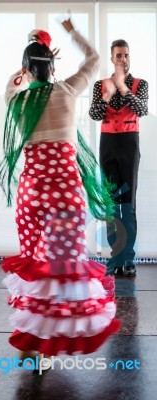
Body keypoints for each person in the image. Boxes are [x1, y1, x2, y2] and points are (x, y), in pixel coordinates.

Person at [0, 18, 120, 359]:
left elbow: (13, 85)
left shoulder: (16, 101)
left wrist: (21, 71)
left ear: (26, 69)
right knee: (60, 268)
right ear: (53, 66)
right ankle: (46, 345)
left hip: (32, 194)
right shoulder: (66, 90)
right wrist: (70, 30)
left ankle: (33, 340)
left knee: (37, 266)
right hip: (64, 194)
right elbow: (94, 59)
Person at [89, 40, 149, 277]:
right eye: (118, 55)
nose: (122, 59)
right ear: (112, 59)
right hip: (108, 145)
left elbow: (142, 109)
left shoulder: (140, 84)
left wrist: (123, 88)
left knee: (129, 204)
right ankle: (115, 259)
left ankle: (129, 260)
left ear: (129, 57)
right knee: (111, 203)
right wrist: (107, 95)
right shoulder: (99, 85)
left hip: (129, 144)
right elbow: (94, 114)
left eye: (126, 55)